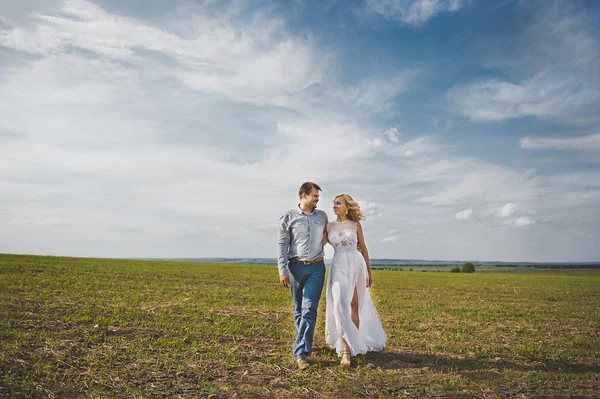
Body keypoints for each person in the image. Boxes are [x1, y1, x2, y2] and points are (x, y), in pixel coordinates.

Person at [323, 194, 386, 367]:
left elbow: (363, 248)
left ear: (347, 207)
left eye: (338, 203)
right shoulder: (329, 226)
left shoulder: (356, 225)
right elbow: (319, 244)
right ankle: (345, 350)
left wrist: (369, 272)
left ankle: (352, 344)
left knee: (354, 306)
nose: (334, 206)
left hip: (357, 264)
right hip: (339, 265)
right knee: (338, 304)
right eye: (333, 203)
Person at [277, 182, 328, 370]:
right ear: (304, 195)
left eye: (318, 197)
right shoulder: (288, 218)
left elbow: (329, 235)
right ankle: (303, 345)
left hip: (317, 267)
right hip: (295, 268)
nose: (317, 199)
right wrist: (282, 271)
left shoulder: (322, 216)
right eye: (315, 196)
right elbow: (282, 245)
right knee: (298, 310)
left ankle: (301, 354)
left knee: (309, 310)